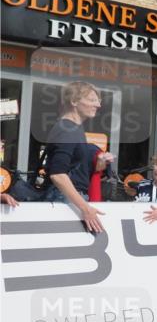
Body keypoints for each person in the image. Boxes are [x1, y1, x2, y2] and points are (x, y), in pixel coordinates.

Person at [42, 81, 112, 233]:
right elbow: (58, 175)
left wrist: (98, 163)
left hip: (68, 199)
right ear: (74, 101)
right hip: (65, 200)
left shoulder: (73, 128)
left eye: (98, 101)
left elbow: (74, 169)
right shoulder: (68, 129)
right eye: (92, 100)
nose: (98, 105)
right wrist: (85, 208)